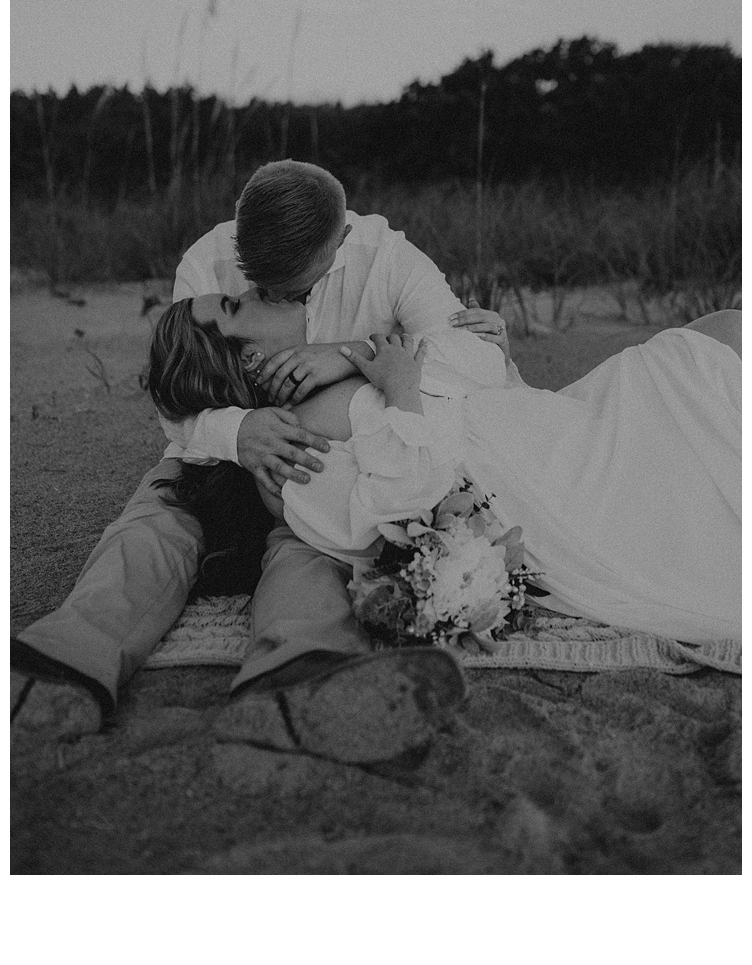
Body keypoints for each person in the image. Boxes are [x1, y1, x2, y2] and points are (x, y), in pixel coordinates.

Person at [12, 160, 514, 765]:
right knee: (156, 521)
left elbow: (478, 360)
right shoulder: (208, 263)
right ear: (239, 245)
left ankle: (296, 680)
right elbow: (178, 389)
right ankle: (58, 665)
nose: (268, 297)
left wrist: (350, 354)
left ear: (341, 243)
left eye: (293, 289)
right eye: (256, 285)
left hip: (329, 460)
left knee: (307, 552)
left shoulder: (388, 259)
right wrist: (238, 428)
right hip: (216, 453)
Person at [146, 298, 741, 688]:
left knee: (703, 345)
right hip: (547, 483)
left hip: (553, 428)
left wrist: (498, 356)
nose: (254, 292)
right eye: (233, 304)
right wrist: (400, 387)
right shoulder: (294, 438)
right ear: (248, 355)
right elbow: (397, 507)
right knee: (705, 351)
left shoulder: (328, 377)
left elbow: (466, 406)